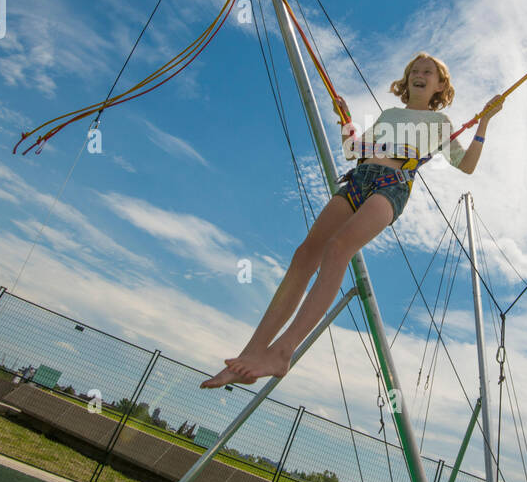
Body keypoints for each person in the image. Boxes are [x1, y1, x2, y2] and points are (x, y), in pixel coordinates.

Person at [201, 53, 502, 388]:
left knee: (338, 247)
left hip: (392, 186)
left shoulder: (441, 124)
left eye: (427, 72)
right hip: (358, 178)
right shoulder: (390, 115)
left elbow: (467, 164)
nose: (418, 74)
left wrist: (484, 123)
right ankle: (251, 352)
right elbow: (355, 150)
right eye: (413, 70)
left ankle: (282, 351)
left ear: (440, 84)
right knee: (304, 255)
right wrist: (343, 120)